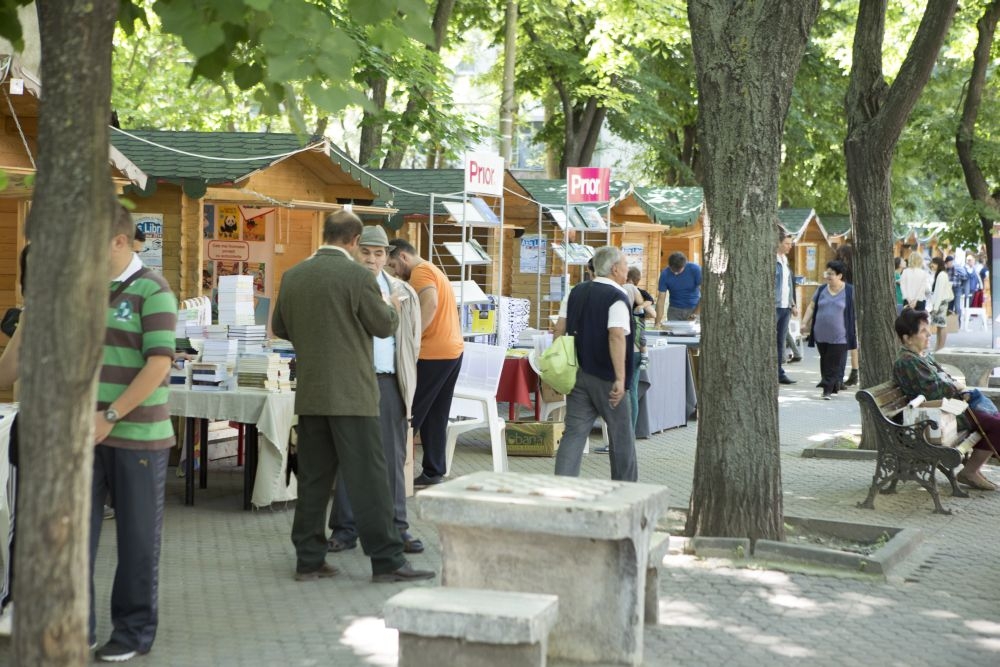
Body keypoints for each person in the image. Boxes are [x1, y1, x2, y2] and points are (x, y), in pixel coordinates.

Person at [271, 211, 434, 585]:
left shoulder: (294, 275)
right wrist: (392, 308)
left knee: (313, 480)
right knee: (371, 479)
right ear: (354, 241)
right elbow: (382, 325)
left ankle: (309, 559)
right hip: (355, 394)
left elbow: (280, 326)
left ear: (325, 234)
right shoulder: (358, 277)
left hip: (312, 393)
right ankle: (388, 560)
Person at [89, 203, 178, 662]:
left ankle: (132, 634)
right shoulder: (85, 289)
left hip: (138, 438)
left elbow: (159, 365)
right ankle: (75, 626)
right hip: (86, 439)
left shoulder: (153, 290)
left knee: (138, 542)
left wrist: (111, 414)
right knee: (75, 538)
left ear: (120, 241)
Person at [327, 225, 425, 555]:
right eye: (366, 251)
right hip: (353, 381)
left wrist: (408, 383)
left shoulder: (403, 291)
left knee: (393, 458)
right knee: (348, 456)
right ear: (355, 251)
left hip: (389, 381)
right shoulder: (342, 287)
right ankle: (344, 529)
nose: (372, 259)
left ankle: (397, 527)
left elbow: (412, 340)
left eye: (379, 253)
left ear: (388, 257)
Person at [554, 246, 637, 482]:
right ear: (614, 269)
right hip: (607, 377)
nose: (627, 268)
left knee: (574, 434)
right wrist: (620, 379)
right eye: (625, 264)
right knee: (621, 435)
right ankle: (626, 490)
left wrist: (561, 364)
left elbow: (559, 329)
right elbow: (616, 336)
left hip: (578, 373)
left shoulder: (576, 292)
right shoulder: (617, 297)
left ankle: (560, 486)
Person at [387, 238, 464, 488]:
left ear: (403, 257)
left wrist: (412, 339)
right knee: (435, 415)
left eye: (393, 265)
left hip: (432, 354)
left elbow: (430, 303)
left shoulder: (420, 272)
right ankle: (433, 471)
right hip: (451, 351)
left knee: (410, 413)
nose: (395, 272)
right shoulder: (434, 270)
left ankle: (393, 472)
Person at [893, 308, 998, 490]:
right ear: (907, 338)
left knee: (994, 420)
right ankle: (970, 471)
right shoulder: (907, 362)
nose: (929, 335)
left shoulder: (922, 357)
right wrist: (956, 387)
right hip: (936, 417)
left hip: (950, 408)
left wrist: (956, 388)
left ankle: (973, 469)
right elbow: (934, 392)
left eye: (928, 330)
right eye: (923, 332)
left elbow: (943, 381)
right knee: (997, 425)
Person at [801, 260, 856, 400]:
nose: (828, 276)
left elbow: (856, 312)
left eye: (831, 274)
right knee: (825, 360)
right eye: (827, 273)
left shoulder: (850, 291)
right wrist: (804, 322)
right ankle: (834, 384)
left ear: (840, 276)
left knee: (833, 361)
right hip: (821, 334)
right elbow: (812, 307)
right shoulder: (821, 290)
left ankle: (827, 389)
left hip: (840, 335)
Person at [776, 232, 798, 385]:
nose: (790, 246)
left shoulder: (785, 261)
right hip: (775, 306)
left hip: (786, 307)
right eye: (787, 243)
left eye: (791, 244)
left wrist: (793, 303)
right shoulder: (773, 260)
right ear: (778, 243)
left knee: (780, 341)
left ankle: (779, 372)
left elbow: (789, 285)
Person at [655, 251, 701, 324]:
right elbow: (660, 300)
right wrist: (657, 322)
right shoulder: (665, 274)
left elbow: (705, 295)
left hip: (694, 308)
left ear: (685, 265)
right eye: (673, 270)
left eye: (679, 271)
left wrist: (695, 313)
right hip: (674, 310)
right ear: (669, 266)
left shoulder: (695, 270)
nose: (675, 273)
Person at [928, 256, 954, 351]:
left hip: (941, 303)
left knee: (942, 325)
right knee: (940, 325)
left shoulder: (941, 275)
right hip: (940, 303)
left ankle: (940, 347)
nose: (932, 265)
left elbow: (939, 292)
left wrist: (935, 307)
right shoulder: (940, 274)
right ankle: (938, 347)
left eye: (933, 263)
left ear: (938, 264)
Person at [945, 255, 967, 323]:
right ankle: (950, 322)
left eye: (948, 263)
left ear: (951, 262)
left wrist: (958, 274)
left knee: (957, 306)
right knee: (949, 305)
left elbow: (965, 276)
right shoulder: (947, 269)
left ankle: (958, 322)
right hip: (949, 289)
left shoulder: (958, 267)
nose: (947, 265)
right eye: (946, 263)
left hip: (957, 288)